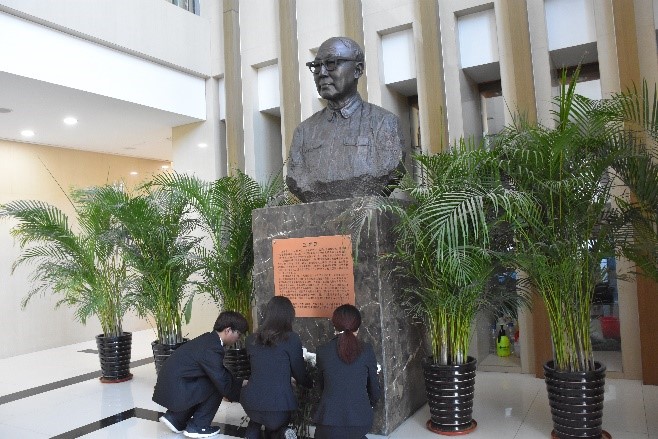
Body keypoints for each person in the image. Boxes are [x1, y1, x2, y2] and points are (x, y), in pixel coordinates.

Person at [286, 36, 406, 203]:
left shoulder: (385, 124)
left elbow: (389, 170)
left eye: (331, 63)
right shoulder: (303, 132)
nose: (322, 73)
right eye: (317, 66)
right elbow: (297, 177)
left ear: (357, 70)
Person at [152, 311, 248, 439]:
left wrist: (240, 382)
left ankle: (176, 418)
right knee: (217, 384)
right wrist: (244, 393)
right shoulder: (212, 348)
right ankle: (198, 426)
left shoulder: (209, 340)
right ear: (228, 330)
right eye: (239, 334)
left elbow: (220, 371)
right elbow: (221, 381)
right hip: (175, 390)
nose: (239, 339)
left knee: (213, 379)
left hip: (172, 387)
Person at [240, 296, 312, 439]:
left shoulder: (251, 339)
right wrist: (309, 384)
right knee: (275, 428)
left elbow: (258, 367)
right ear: (289, 316)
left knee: (255, 422)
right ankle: (283, 432)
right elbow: (299, 373)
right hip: (279, 403)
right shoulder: (291, 339)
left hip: (251, 399)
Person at [313, 304, 381, 439]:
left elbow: (320, 388)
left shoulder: (322, 351)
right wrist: (367, 405)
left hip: (329, 423)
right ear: (358, 327)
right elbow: (375, 391)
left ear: (334, 326)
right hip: (361, 422)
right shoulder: (367, 350)